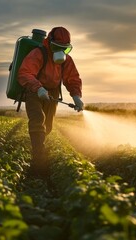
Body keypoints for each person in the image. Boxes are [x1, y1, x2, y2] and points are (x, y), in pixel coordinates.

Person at [18, 26, 83, 177]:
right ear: (49, 43)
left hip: (52, 93)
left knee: (47, 126)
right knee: (37, 120)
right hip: (34, 90)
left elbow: (72, 78)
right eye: (56, 47)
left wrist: (76, 96)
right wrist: (38, 88)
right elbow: (25, 73)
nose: (59, 52)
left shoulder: (66, 61)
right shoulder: (38, 53)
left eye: (64, 49)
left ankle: (39, 149)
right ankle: (38, 161)